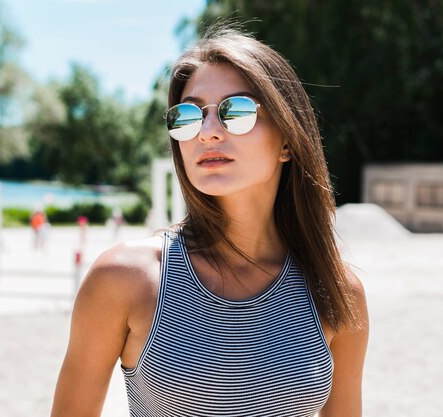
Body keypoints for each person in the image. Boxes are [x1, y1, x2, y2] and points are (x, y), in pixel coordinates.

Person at [51, 27, 369, 417]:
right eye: (187, 115)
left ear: (288, 140)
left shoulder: (337, 291)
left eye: (236, 111)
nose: (207, 132)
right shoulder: (125, 279)